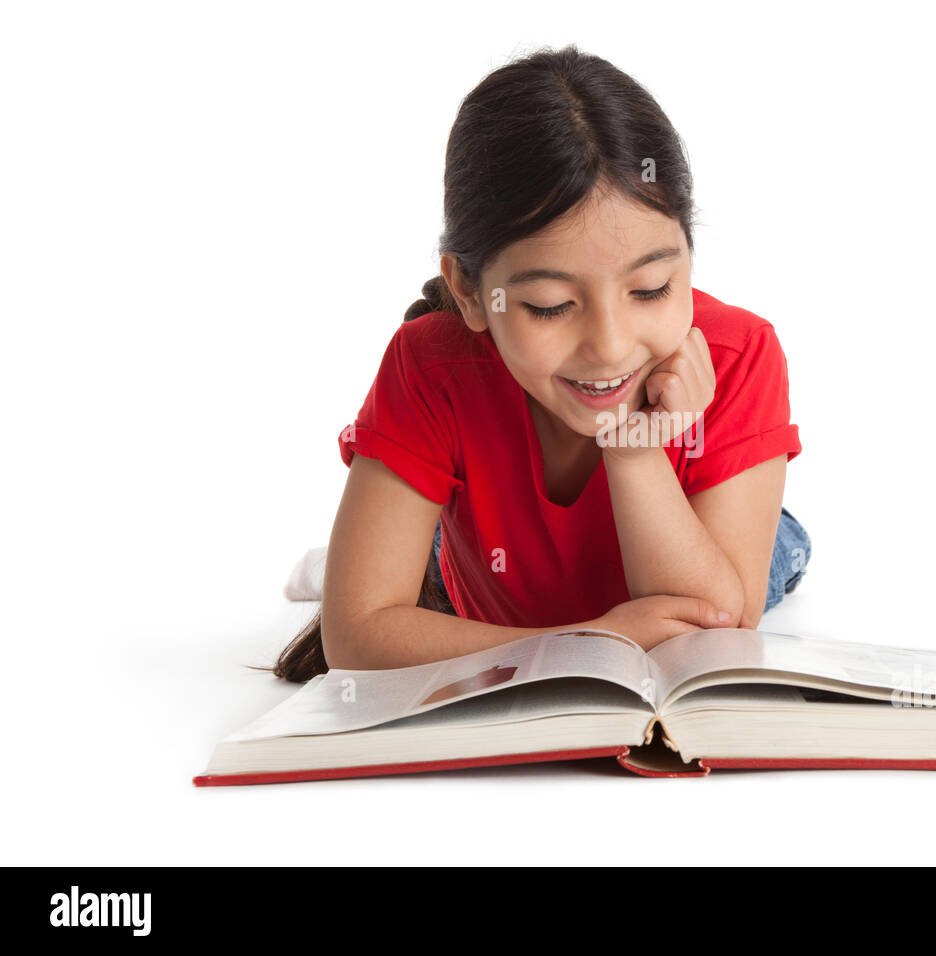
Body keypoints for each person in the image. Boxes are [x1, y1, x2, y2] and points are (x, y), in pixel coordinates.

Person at [267, 44, 810, 683]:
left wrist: (634, 453)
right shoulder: (431, 369)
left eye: (651, 289)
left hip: (702, 510)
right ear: (471, 292)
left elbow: (711, 625)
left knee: (781, 549)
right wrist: (591, 640)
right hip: (498, 550)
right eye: (550, 306)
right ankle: (402, 543)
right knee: (433, 555)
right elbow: (357, 637)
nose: (609, 347)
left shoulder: (738, 354)